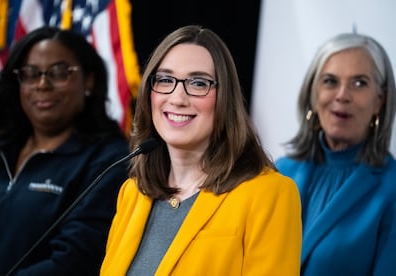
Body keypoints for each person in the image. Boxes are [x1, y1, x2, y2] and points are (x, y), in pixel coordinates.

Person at [100, 25, 302, 275]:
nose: (177, 97)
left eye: (198, 83)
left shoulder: (270, 194)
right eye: (164, 79)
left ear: (225, 98)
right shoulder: (131, 193)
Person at [0, 26, 130, 275]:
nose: (42, 84)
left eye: (60, 73)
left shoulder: (109, 162)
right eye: (30, 74)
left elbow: (75, 261)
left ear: (89, 81)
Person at [275, 33, 396, 275]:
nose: (342, 95)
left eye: (359, 83)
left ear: (379, 101)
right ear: (313, 93)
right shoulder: (279, 171)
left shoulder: (391, 187)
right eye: (330, 81)